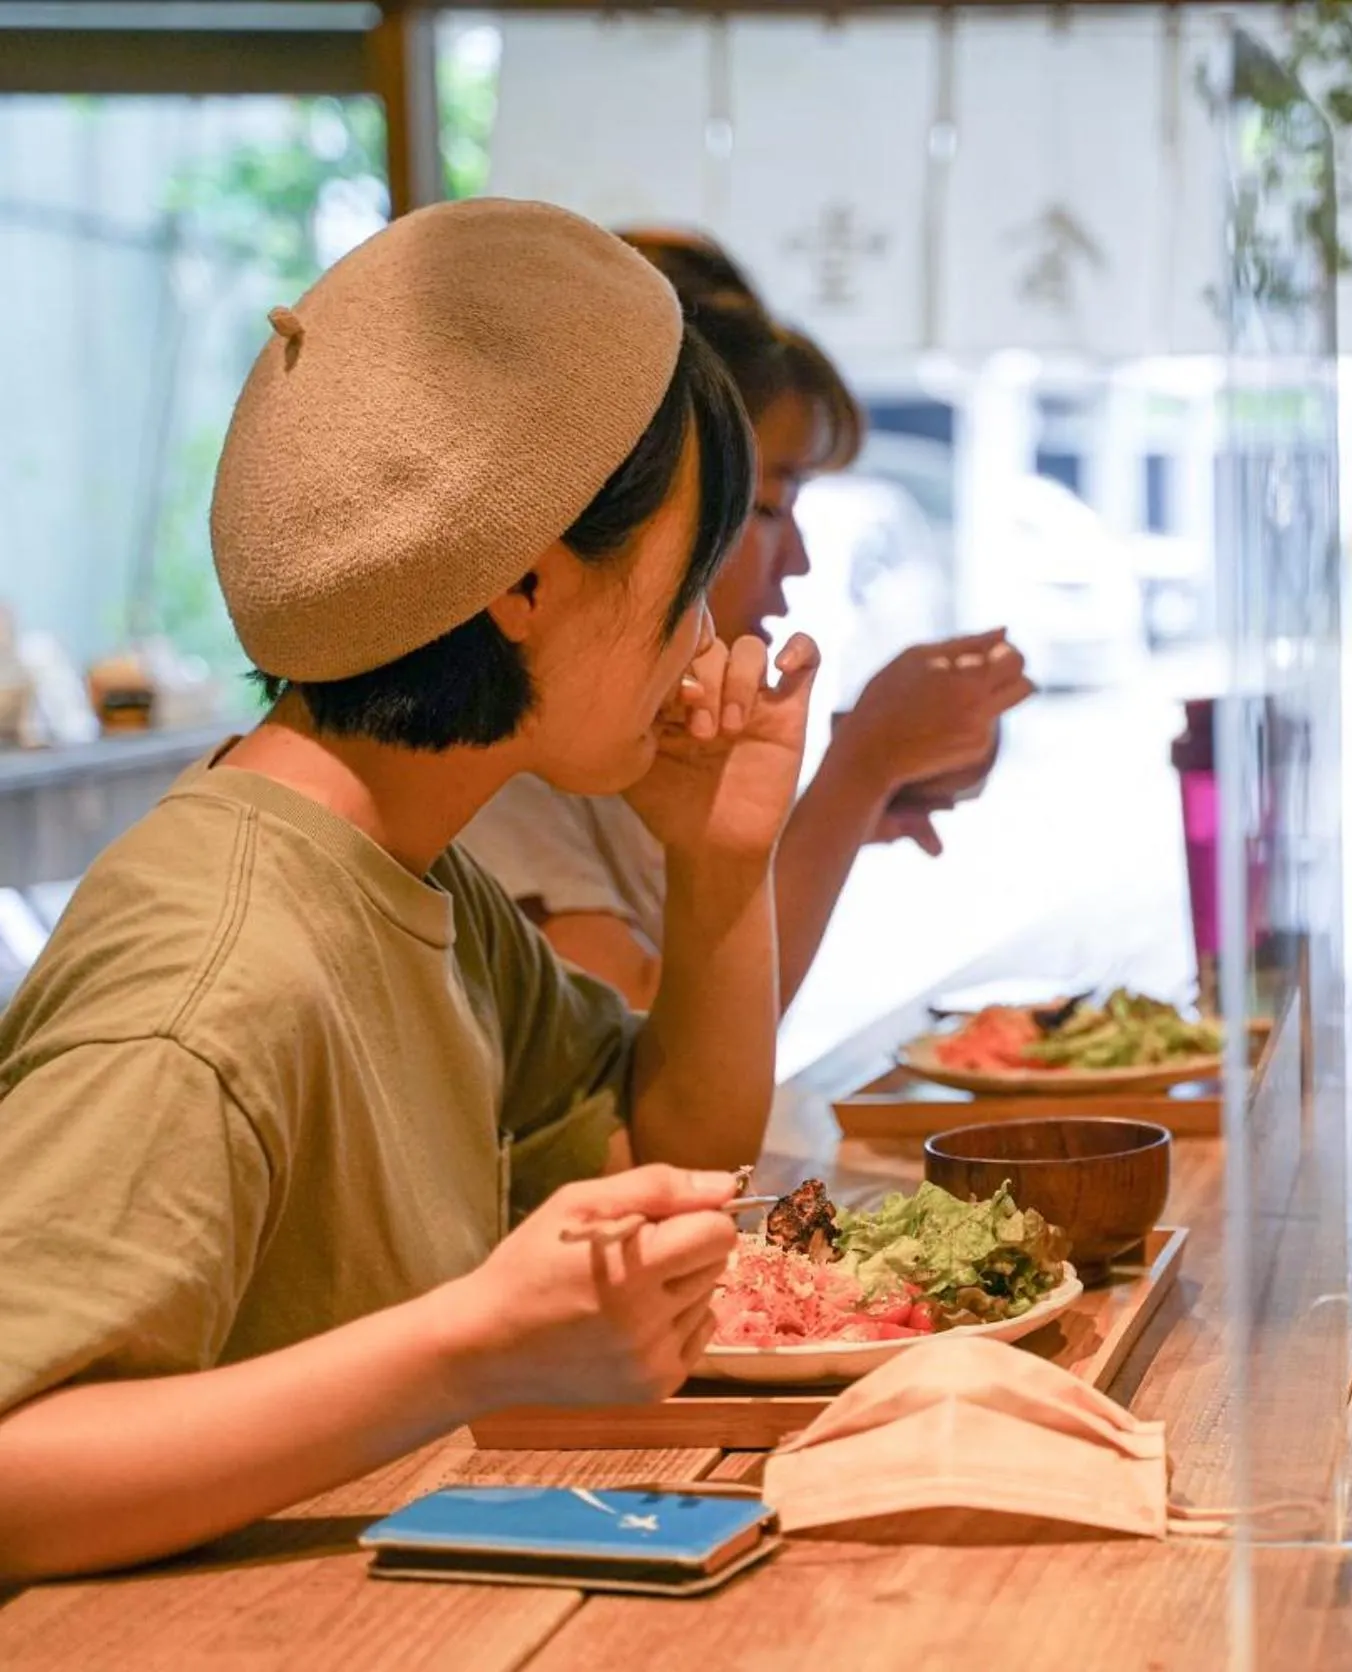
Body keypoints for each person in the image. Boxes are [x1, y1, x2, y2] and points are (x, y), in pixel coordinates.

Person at [0, 199, 812, 1578]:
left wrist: (719, 867)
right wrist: (462, 1346)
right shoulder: (220, 967)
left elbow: (666, 1161)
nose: (715, 634)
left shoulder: (407, 869)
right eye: (689, 577)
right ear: (529, 583)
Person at [461, 229, 1033, 1011]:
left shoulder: (625, 739)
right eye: (767, 505)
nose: (796, 558)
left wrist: (870, 780)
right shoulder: (499, 765)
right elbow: (655, 1081)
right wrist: (855, 773)